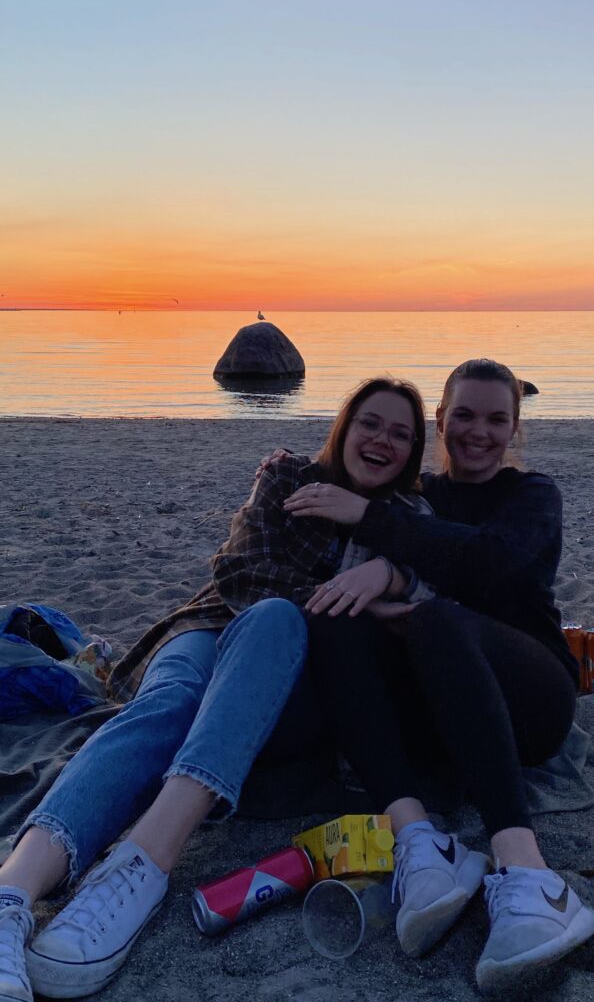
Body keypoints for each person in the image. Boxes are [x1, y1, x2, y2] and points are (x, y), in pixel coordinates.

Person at [0, 376, 429, 1002]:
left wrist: (391, 570)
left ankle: (140, 865)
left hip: (285, 674)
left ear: (415, 451)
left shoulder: (408, 522)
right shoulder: (288, 477)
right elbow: (243, 571)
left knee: (281, 621)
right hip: (212, 621)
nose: (382, 441)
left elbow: (445, 578)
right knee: (171, 701)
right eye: (371, 423)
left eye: (401, 433)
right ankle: (14, 890)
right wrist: (357, 601)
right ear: (345, 425)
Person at [277, 358, 594, 991]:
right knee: (339, 611)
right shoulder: (412, 499)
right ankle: (422, 841)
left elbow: (486, 562)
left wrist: (387, 558)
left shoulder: (532, 496)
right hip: (439, 713)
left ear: (514, 428)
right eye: (465, 416)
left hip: (531, 700)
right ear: (441, 421)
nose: (479, 432)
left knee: (436, 619)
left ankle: (528, 872)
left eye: (496, 419)